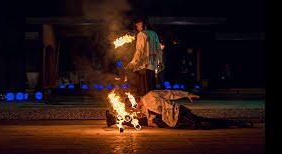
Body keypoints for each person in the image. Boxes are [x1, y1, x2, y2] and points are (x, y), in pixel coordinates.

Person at [106, 90, 253, 129]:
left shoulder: (151, 95)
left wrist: (187, 94)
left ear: (135, 100)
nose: (134, 108)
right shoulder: (143, 110)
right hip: (171, 123)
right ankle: (114, 120)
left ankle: (236, 122)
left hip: (179, 113)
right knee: (145, 121)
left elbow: (170, 93)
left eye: (133, 105)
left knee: (205, 123)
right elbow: (145, 120)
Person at [125, 16, 164, 97]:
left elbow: (139, 51)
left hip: (143, 67)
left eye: (137, 25)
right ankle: (150, 107)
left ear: (142, 24)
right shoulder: (154, 34)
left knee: (143, 91)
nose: (137, 27)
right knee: (150, 91)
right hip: (152, 67)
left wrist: (133, 63)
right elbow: (158, 50)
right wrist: (160, 62)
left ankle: (144, 108)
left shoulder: (141, 34)